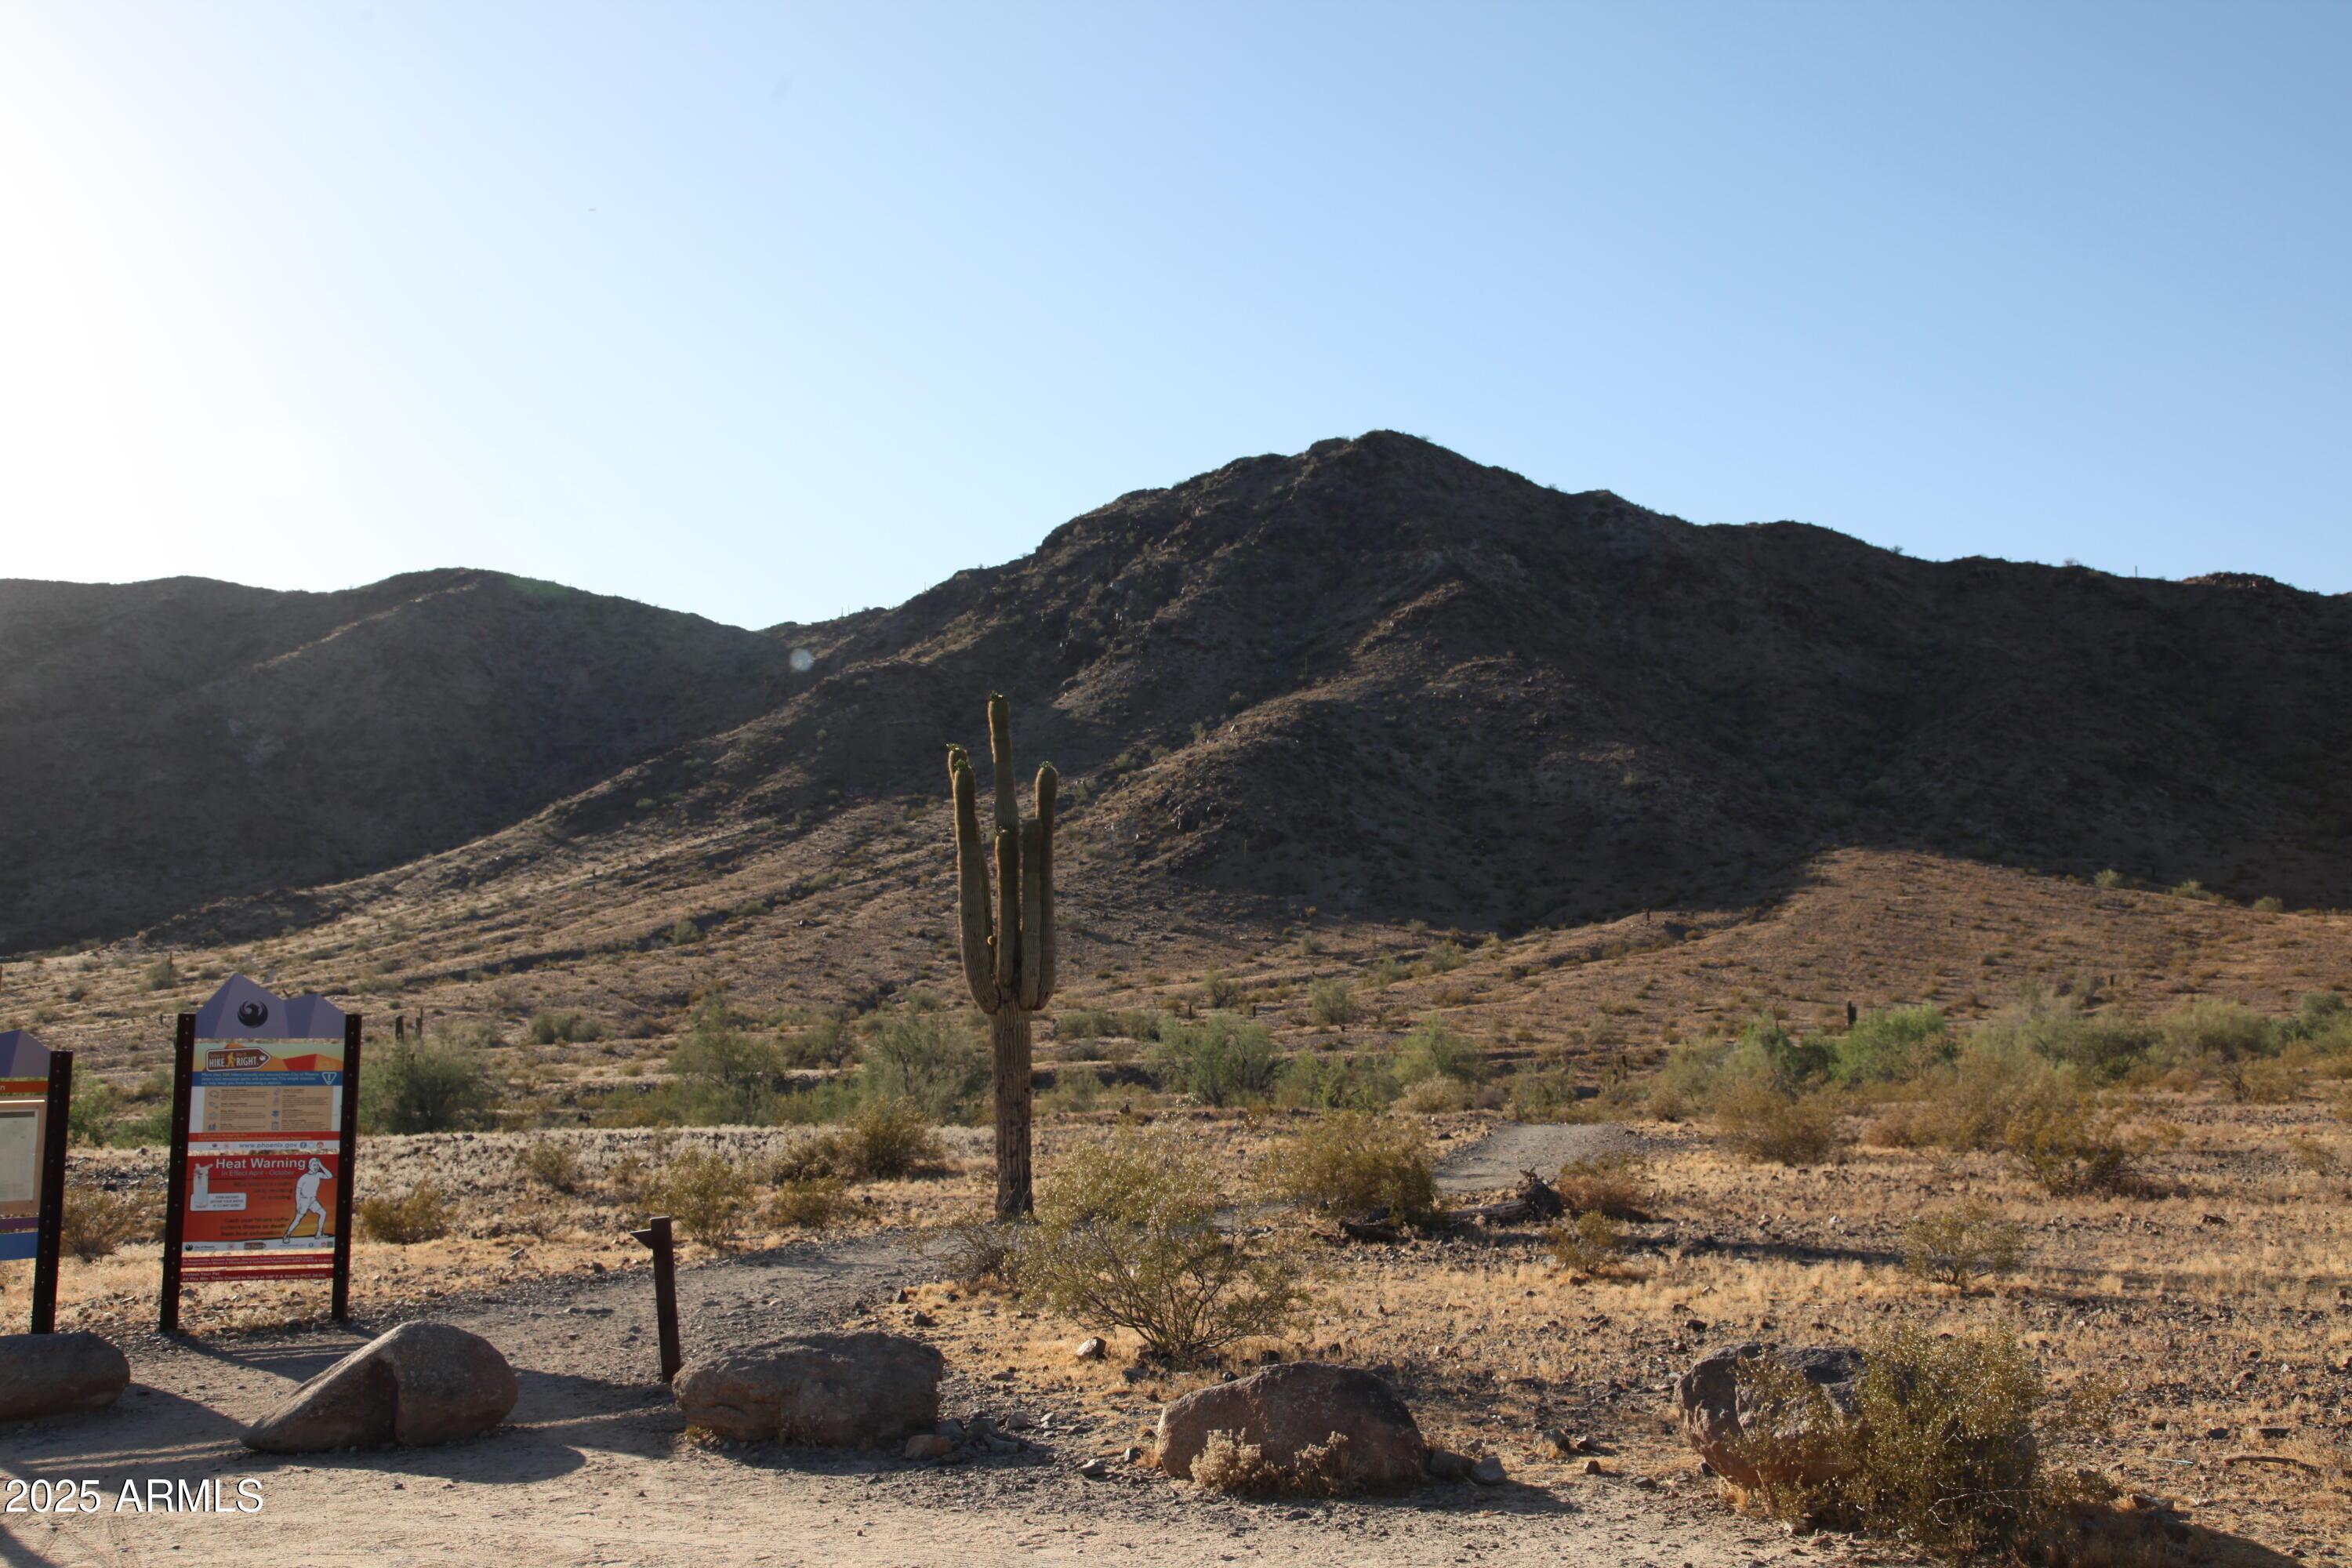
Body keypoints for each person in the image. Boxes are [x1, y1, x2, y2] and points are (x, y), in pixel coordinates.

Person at [285, 1157, 331, 1240]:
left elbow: (329, 1176)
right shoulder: (303, 1178)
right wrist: (298, 1205)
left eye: (317, 1165)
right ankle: (287, 1235)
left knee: (323, 1213)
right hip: (304, 1201)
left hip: (313, 1200)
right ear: (309, 1166)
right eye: (314, 1165)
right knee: (298, 1219)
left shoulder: (318, 1175)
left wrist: (321, 1165)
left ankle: (319, 1234)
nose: (316, 1167)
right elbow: (297, 1192)